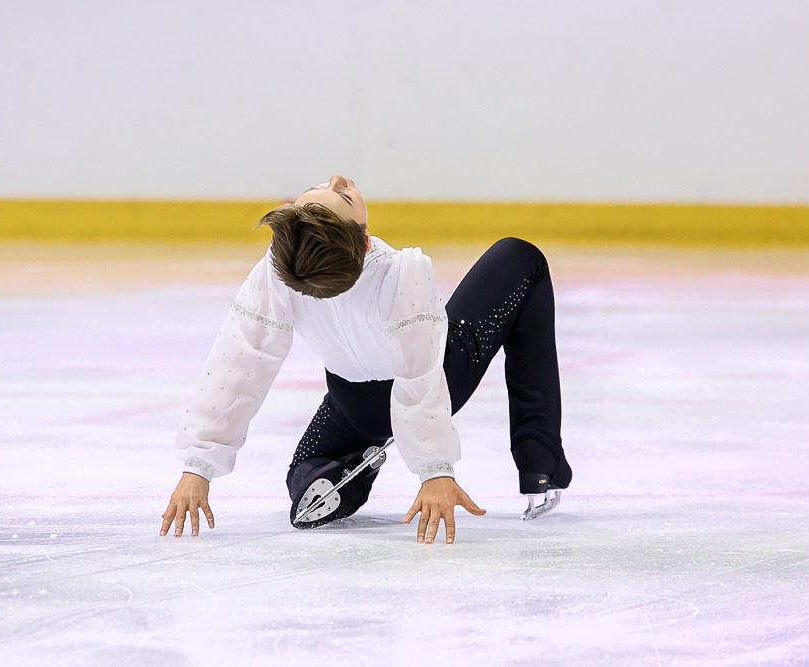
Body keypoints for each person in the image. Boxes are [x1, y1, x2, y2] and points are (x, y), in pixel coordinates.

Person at [160, 174, 572, 545]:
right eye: (340, 194)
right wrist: (435, 471)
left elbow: (242, 358)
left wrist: (199, 465)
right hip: (441, 376)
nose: (340, 179)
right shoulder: (401, 271)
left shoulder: (281, 267)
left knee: (306, 472)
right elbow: (419, 371)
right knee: (520, 257)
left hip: (352, 405)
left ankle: (346, 469)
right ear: (364, 239)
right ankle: (540, 467)